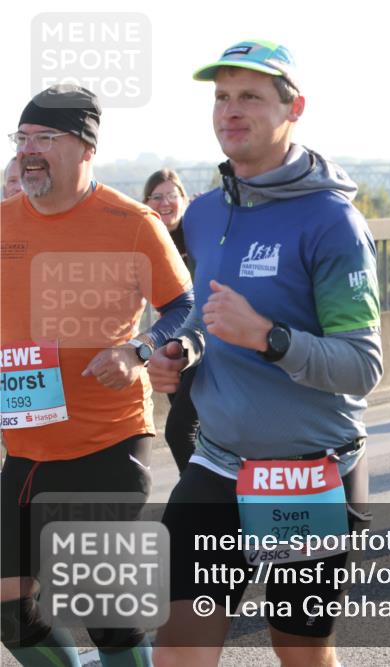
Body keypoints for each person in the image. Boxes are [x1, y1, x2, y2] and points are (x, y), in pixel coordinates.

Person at [148, 40, 381, 667]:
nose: (230, 110)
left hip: (308, 473)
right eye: (222, 96)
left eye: (250, 96)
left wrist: (269, 338)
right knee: (178, 652)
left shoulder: (333, 222)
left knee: (300, 654)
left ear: (293, 108)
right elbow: (203, 314)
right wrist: (182, 349)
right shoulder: (203, 213)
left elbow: (362, 365)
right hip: (217, 464)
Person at [1, 85, 192, 667]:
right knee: (9, 607)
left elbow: (184, 307)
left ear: (86, 147)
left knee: (101, 605)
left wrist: (138, 349)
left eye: (46, 138)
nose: (29, 151)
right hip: (27, 449)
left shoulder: (131, 223)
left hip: (107, 442)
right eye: (22, 138)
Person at [143, 168, 199, 471]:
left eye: (172, 195)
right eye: (156, 197)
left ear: (185, 199)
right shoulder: (148, 240)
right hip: (173, 348)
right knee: (189, 428)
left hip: (205, 344)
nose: (165, 203)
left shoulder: (201, 234)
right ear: (146, 203)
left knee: (179, 430)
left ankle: (196, 492)